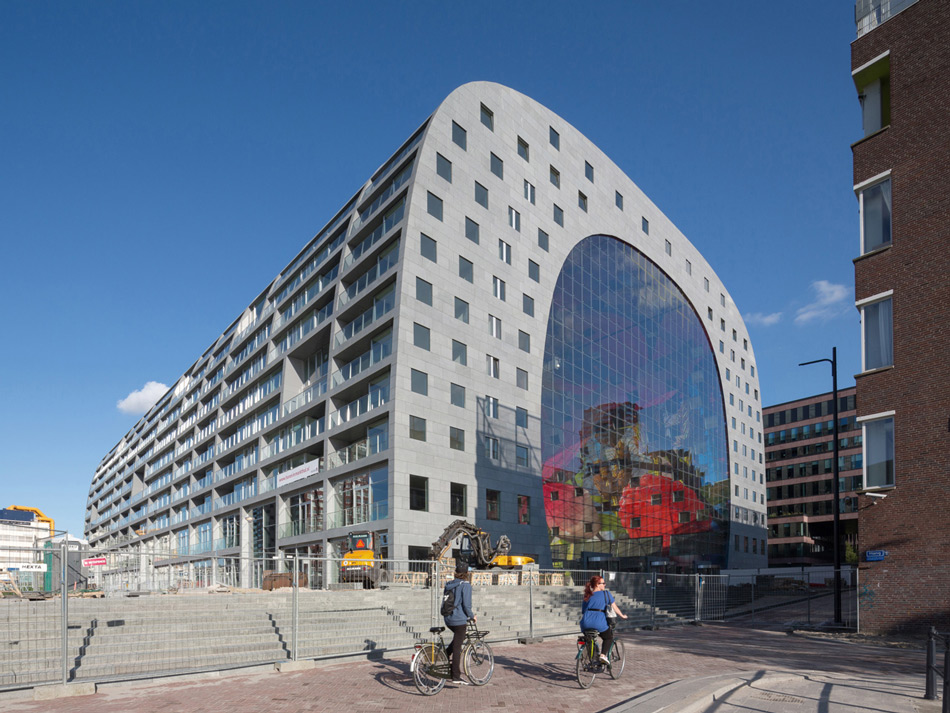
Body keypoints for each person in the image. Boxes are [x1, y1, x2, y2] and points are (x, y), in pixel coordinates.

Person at [580, 575, 627, 664]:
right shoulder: (606, 593)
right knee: (608, 637)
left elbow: (583, 611)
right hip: (598, 622)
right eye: (603, 583)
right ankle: (603, 655)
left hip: (585, 623)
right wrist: (622, 616)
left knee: (590, 639)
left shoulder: (587, 595)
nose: (605, 585)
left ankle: (592, 659)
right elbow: (615, 607)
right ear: (597, 584)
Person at [443, 562, 476, 685]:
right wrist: (472, 616)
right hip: (459, 620)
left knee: (457, 640)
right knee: (458, 647)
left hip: (448, 618)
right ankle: (456, 676)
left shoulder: (449, 584)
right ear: (467, 573)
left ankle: (444, 655)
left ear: (456, 573)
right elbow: (467, 605)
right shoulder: (466, 585)